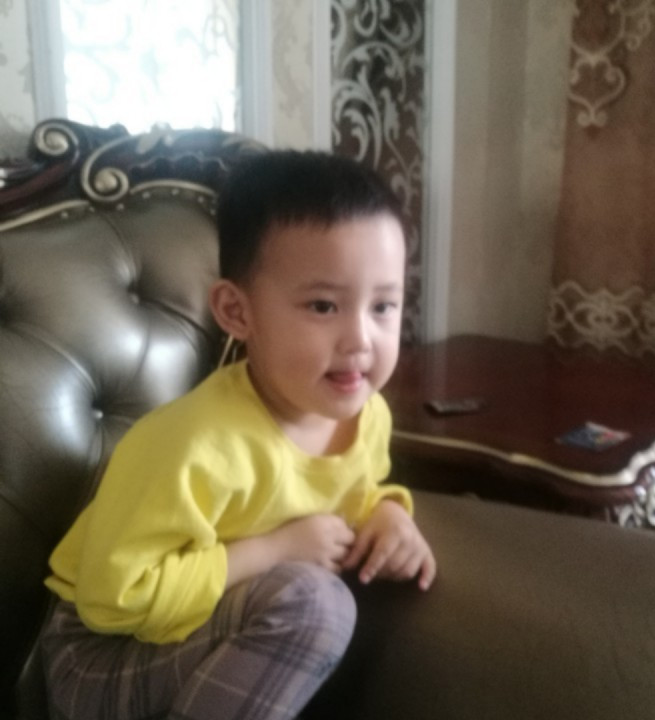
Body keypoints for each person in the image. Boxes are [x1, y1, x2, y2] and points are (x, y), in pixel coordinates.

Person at [41, 149, 436, 720]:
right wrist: (275, 550)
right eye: (323, 305)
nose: (361, 339)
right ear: (236, 311)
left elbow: (348, 493)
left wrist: (388, 513)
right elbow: (114, 600)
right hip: (98, 652)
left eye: (383, 306)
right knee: (316, 603)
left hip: (208, 625)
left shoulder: (366, 416)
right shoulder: (191, 445)